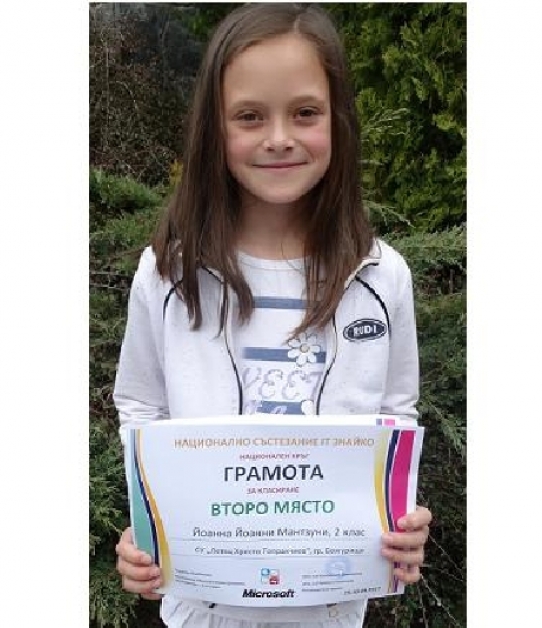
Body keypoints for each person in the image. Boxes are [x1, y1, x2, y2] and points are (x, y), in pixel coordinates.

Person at [113, 4, 432, 627]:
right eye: (249, 116)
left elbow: (395, 417)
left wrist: (401, 521)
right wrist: (148, 529)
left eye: (305, 112)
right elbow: (143, 410)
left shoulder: (381, 275)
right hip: (201, 612)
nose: (280, 137)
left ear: (337, 121)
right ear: (214, 128)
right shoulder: (168, 274)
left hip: (333, 610)